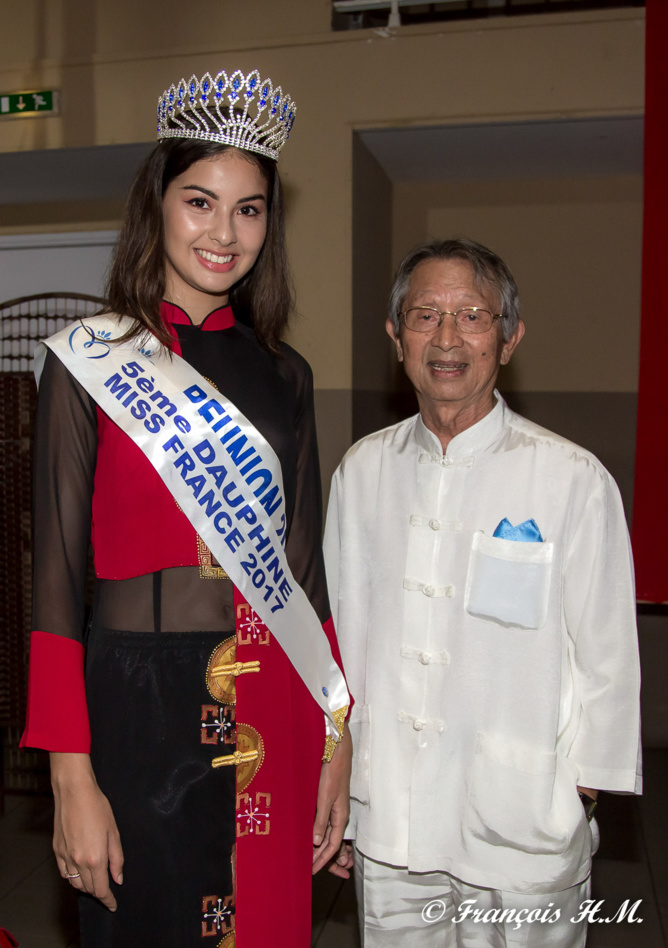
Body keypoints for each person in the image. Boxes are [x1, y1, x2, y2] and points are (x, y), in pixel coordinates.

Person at [20, 67, 351, 948]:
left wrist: (336, 737)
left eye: (249, 209)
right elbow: (52, 580)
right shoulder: (89, 361)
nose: (224, 231)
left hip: (270, 690)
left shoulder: (287, 376)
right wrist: (68, 777)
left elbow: (305, 569)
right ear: (158, 204)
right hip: (136, 704)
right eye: (200, 201)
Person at [324, 238, 641, 947]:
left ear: (509, 337)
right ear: (394, 335)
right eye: (424, 314)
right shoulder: (363, 472)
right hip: (393, 821)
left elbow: (609, 659)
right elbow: (341, 647)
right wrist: (340, 787)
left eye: (472, 315)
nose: (446, 337)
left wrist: (576, 796)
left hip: (521, 822)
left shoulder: (570, 479)